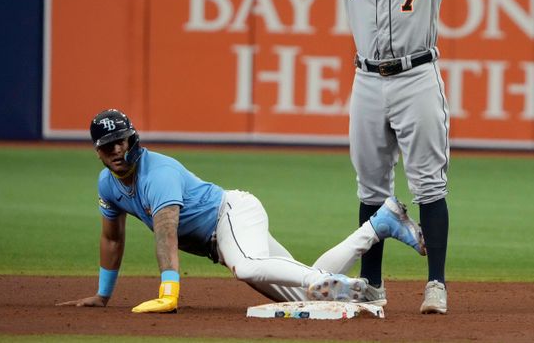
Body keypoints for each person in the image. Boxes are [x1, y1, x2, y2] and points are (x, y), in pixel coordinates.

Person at [282, 0, 499, 314]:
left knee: (429, 186)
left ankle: (436, 284)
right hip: (366, 80)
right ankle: (372, 284)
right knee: (371, 189)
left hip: (417, 76)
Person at [56, 108, 426, 313]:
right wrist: (103, 295)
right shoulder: (108, 185)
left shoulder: (159, 174)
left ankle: (334, 282)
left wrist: (169, 291)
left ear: (132, 139)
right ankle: (381, 222)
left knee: (246, 266)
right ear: (98, 152)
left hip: (230, 215)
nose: (117, 152)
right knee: (305, 298)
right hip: (223, 236)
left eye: (120, 142)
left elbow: (166, 231)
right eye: (108, 147)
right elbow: (112, 237)